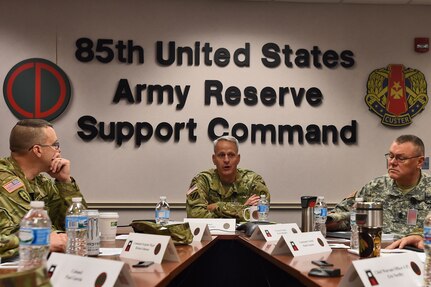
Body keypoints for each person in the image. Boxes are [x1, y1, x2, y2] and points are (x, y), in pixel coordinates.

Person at [0, 119, 87, 258]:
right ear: (37, 150)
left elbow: (79, 226)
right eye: (55, 145)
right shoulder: (5, 180)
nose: (59, 151)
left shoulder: (41, 182)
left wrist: (64, 181)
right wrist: (53, 238)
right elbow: (33, 231)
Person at [326, 135, 430, 242]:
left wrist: (420, 237)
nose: (392, 162)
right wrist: (331, 222)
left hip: (419, 254)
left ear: (420, 162)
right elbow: (344, 217)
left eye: (401, 158)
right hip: (379, 252)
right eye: (391, 156)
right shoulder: (375, 187)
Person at [186, 135, 270, 220]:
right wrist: (242, 208)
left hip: (246, 233)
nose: (226, 160)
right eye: (221, 155)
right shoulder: (202, 180)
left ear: (238, 159)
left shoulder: (254, 181)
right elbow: (195, 215)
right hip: (210, 233)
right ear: (214, 159)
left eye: (231, 155)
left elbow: (259, 215)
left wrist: (216, 206)